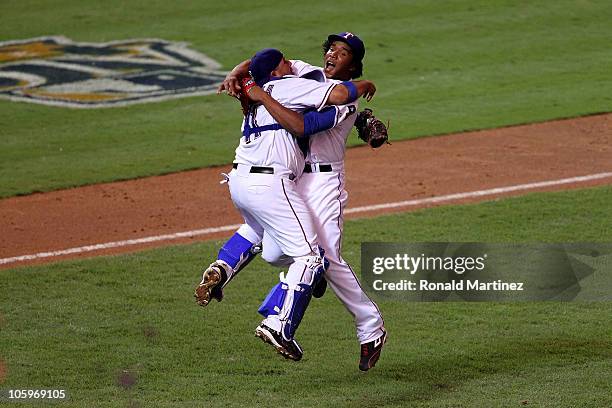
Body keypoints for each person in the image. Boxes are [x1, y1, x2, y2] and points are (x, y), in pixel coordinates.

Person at [197, 33, 387, 371]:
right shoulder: (306, 73)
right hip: (293, 176)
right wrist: (234, 73)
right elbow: (260, 62)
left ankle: (369, 326)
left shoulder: (347, 99)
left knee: (325, 254)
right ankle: (297, 281)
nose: (332, 54)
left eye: (342, 53)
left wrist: (253, 90)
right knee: (277, 249)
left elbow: (303, 123)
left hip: (324, 181)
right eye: (331, 48)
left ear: (353, 65)